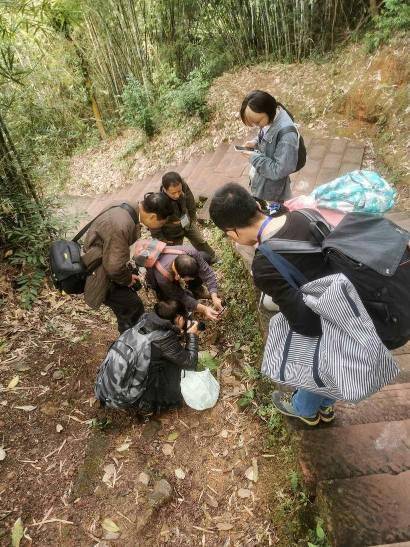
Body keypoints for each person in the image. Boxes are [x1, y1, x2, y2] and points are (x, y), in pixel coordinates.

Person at [209, 182, 336, 426]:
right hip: (347, 302)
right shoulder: (304, 215)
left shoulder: (264, 264)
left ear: (233, 232)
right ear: (257, 205)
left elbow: (303, 322)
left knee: (317, 363)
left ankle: (306, 409)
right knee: (335, 362)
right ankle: (327, 407)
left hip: (321, 320)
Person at [82, 193, 171, 333]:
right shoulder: (122, 224)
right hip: (99, 271)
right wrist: (128, 279)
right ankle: (131, 343)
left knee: (128, 305)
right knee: (132, 307)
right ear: (153, 216)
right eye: (160, 224)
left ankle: (130, 334)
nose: (158, 228)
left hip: (104, 258)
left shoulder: (128, 204)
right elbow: (114, 267)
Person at [239, 90, 301, 207]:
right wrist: (255, 142)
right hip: (263, 182)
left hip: (273, 193)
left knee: (274, 211)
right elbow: (266, 132)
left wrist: (254, 158)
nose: (257, 126)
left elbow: (279, 170)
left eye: (257, 122)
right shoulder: (273, 116)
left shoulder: (287, 137)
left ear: (268, 110)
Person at [137, 299, 199, 414]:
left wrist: (178, 331)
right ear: (179, 318)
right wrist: (192, 335)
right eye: (184, 318)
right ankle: (165, 402)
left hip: (137, 370)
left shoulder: (146, 318)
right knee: (174, 365)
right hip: (146, 382)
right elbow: (190, 363)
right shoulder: (163, 339)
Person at [150, 171, 217, 263]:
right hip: (171, 233)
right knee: (176, 254)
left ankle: (211, 258)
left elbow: (190, 202)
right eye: (173, 193)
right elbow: (154, 227)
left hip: (187, 222)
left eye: (179, 191)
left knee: (200, 241)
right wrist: (163, 241)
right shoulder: (158, 202)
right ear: (165, 190)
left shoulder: (183, 185)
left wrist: (192, 219)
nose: (177, 195)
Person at [144, 244, 223, 321]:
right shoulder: (162, 279)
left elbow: (207, 273)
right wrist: (204, 309)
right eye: (188, 279)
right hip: (156, 276)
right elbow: (181, 296)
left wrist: (214, 296)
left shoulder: (191, 251)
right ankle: (182, 316)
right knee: (171, 302)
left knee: (205, 257)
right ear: (178, 276)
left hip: (169, 266)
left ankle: (197, 291)